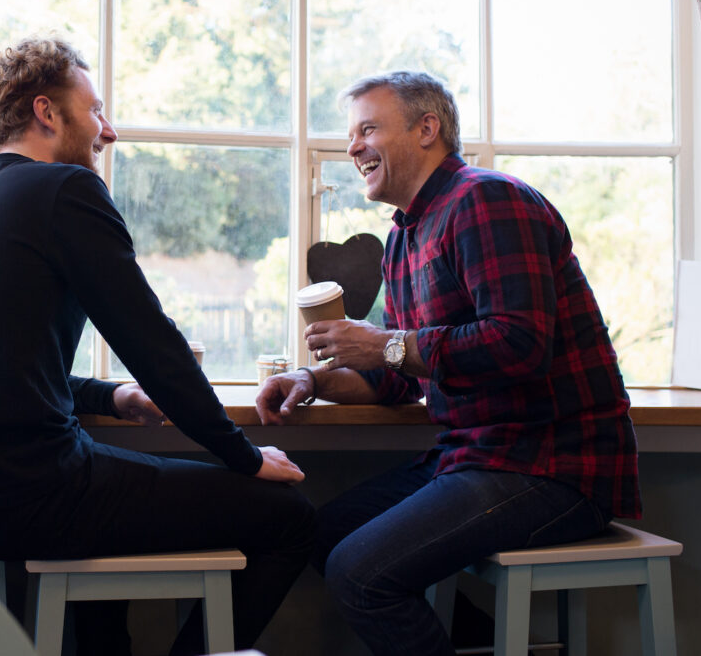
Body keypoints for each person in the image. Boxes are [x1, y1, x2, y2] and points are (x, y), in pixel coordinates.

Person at [0, 36, 315, 656]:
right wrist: (242, 454)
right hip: (30, 495)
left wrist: (111, 397)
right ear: (46, 112)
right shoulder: (64, 189)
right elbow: (152, 341)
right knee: (292, 520)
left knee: (110, 503)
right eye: (95, 111)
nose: (108, 131)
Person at [256, 71, 641, 656]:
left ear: (427, 129)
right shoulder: (406, 238)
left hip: (551, 467)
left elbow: (518, 343)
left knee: (361, 574)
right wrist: (310, 378)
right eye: (350, 134)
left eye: (368, 129)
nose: (352, 147)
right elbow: (395, 374)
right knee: (318, 533)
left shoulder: (487, 200)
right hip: (472, 457)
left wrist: (384, 343)